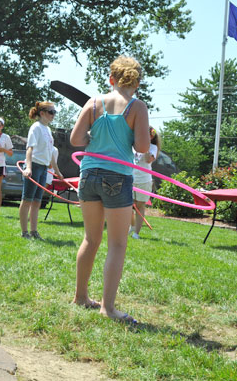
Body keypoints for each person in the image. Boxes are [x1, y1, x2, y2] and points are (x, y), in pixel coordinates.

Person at [69, 56, 149, 323]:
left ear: (111, 79)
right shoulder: (137, 107)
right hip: (117, 176)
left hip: (89, 173)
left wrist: (97, 136)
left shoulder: (93, 103)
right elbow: (142, 148)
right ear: (136, 83)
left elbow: (76, 140)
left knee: (91, 239)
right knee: (117, 243)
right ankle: (108, 308)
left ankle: (81, 296)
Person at [19, 103, 63, 239]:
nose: (53, 115)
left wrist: (58, 172)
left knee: (37, 201)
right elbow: (30, 149)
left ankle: (34, 231)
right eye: (51, 111)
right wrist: (29, 168)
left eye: (54, 112)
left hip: (44, 168)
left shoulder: (48, 130)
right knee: (27, 199)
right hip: (35, 167)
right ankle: (24, 232)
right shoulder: (36, 128)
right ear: (42, 113)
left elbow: (50, 154)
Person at [129, 126, 160, 239]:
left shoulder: (153, 147)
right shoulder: (133, 146)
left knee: (140, 205)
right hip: (131, 178)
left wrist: (145, 145)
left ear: (151, 137)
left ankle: (136, 233)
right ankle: (132, 226)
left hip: (144, 180)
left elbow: (148, 159)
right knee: (128, 205)